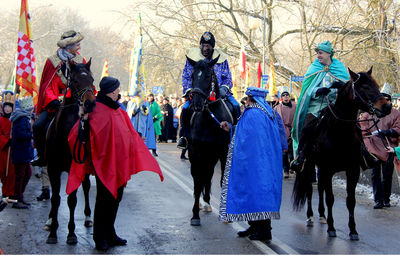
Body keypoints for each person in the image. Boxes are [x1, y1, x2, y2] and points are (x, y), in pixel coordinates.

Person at [66, 77, 163, 251]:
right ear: (112, 90)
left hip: (118, 162)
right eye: (117, 88)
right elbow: (81, 135)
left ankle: (110, 233)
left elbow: (129, 133)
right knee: (104, 199)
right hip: (103, 163)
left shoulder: (118, 109)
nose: (119, 91)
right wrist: (84, 119)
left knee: (116, 198)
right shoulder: (95, 108)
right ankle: (99, 237)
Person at [219, 87, 287, 241]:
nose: (246, 101)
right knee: (263, 192)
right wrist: (232, 128)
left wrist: (232, 133)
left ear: (251, 98)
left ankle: (264, 230)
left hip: (254, 161)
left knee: (255, 192)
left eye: (247, 98)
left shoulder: (252, 114)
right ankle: (255, 226)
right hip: (269, 161)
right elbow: (280, 136)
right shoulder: (270, 112)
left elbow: (245, 138)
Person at [291, 40, 349, 172]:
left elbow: (348, 88)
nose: (318, 55)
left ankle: (363, 154)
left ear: (329, 54)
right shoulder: (313, 68)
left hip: (335, 106)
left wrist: (341, 87)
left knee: (353, 125)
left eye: (320, 53)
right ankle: (301, 156)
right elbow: (306, 90)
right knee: (308, 125)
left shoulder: (339, 68)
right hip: (316, 106)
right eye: (317, 53)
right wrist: (317, 90)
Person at [177, 31, 240, 149]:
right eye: (203, 45)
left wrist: (223, 89)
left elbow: (227, 78)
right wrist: (190, 90)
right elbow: (186, 76)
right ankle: (184, 137)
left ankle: (237, 137)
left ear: (212, 47)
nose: (205, 48)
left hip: (220, 94)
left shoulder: (221, 60)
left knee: (236, 106)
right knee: (185, 109)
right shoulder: (192, 59)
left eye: (208, 46)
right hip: (198, 94)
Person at [32, 30, 85, 167]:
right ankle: (42, 156)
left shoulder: (81, 60)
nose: (79, 47)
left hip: (75, 102)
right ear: (68, 46)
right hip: (55, 102)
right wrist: (53, 100)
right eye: (77, 44)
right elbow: (47, 85)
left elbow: (85, 82)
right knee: (38, 126)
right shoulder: (52, 61)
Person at [359, 83, 400, 209]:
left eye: (387, 99)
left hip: (388, 147)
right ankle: (378, 200)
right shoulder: (370, 112)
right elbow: (362, 124)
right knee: (375, 174)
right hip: (373, 148)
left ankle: (386, 198)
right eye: (382, 99)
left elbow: (398, 128)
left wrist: (388, 132)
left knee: (387, 175)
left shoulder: (395, 113)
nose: (384, 101)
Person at [10, 96, 34, 209]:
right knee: (21, 176)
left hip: (23, 153)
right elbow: (20, 135)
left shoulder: (23, 118)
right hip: (21, 152)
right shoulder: (21, 119)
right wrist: (31, 134)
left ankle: (19, 196)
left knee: (27, 174)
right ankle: (17, 199)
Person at [274, 86, 297, 178]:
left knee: (293, 152)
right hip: (282, 133)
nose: (286, 96)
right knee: (284, 153)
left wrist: (293, 128)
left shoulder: (295, 106)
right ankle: (286, 170)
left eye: (287, 95)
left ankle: (293, 167)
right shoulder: (277, 108)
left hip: (293, 131)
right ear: (281, 98)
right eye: (284, 95)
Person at [0, 91, 16, 200]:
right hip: (3, 150)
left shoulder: (14, 121)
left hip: (12, 150)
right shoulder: (0, 120)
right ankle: (4, 192)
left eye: (9, 107)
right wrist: (6, 140)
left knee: (11, 172)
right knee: (3, 171)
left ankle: (9, 192)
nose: (7, 109)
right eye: (6, 107)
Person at [175, 96, 188, 160]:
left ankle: (183, 154)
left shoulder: (184, 105)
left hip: (184, 125)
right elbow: (178, 115)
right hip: (186, 125)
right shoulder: (185, 105)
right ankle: (183, 154)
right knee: (186, 140)